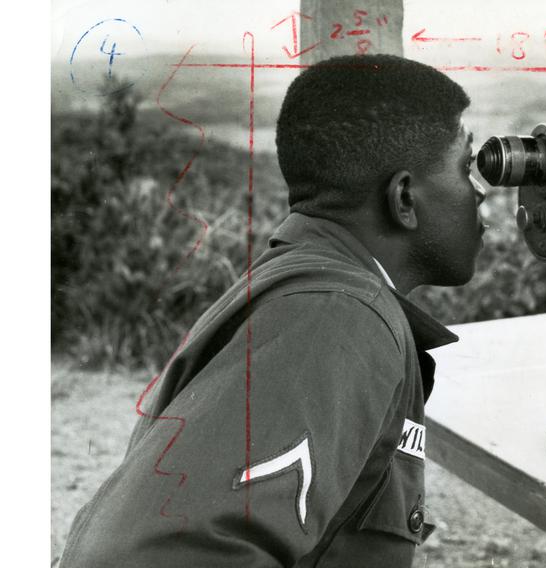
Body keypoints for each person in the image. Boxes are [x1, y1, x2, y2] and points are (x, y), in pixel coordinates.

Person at [59, 54, 486, 567]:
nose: (480, 193)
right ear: (404, 199)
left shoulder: (319, 292)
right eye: (465, 170)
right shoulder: (339, 316)